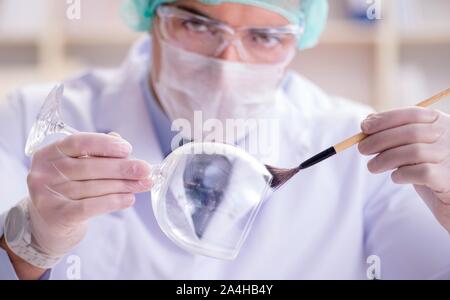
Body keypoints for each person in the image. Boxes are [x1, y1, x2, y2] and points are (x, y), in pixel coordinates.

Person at [1, 0, 450, 280]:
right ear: (153, 17)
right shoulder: (27, 117)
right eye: (197, 25)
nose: (227, 61)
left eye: (265, 36)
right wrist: (30, 246)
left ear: (298, 40)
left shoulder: (364, 150)